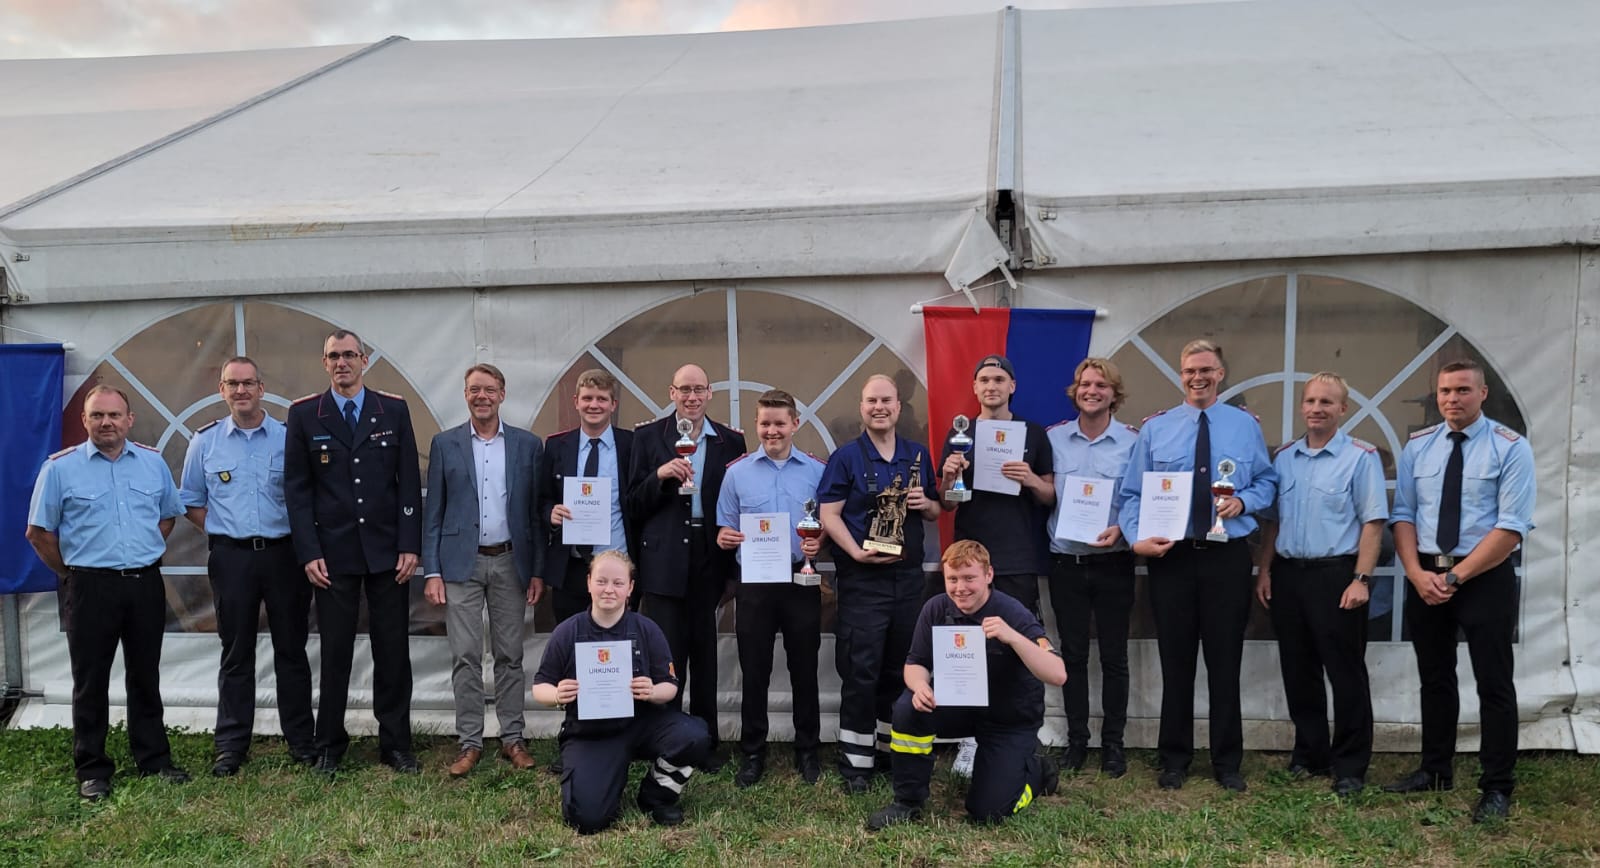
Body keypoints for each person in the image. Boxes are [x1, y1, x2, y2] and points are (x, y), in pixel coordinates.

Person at [1119, 339, 1275, 792]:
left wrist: (1243, 501)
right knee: (1177, 660)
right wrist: (1136, 539)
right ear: (1181, 375)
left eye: (1206, 370)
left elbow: (1267, 481)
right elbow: (1131, 495)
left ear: (1220, 374)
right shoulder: (1156, 429)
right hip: (1173, 557)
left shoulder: (1244, 426)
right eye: (1190, 370)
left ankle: (1227, 762)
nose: (1197, 377)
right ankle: (1175, 758)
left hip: (1227, 557)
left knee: (1225, 661)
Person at [1384, 360, 1534, 823]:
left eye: (1463, 390)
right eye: (1446, 391)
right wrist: (1416, 573)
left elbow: (1511, 527)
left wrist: (1455, 578)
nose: (1453, 398)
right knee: (1435, 678)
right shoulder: (1419, 447)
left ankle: (1497, 786)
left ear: (1483, 393)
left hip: (1483, 577)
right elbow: (1403, 514)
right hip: (1426, 575)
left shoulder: (1511, 448)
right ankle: (1435, 770)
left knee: (1494, 682)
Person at [26, 385, 190, 800]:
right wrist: (70, 572)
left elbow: (167, 517)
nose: (106, 423)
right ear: (84, 421)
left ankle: (154, 760)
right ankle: (93, 769)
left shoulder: (152, 464)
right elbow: (38, 532)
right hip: (89, 586)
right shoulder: (59, 469)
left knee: (145, 675)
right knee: (90, 681)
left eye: (114, 415)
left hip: (143, 583)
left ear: (129, 420)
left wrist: (140, 551)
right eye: (97, 415)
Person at [284, 329, 423, 776]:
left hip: (387, 553)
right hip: (333, 555)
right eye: (334, 356)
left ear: (364, 360)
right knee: (335, 652)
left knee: (393, 651)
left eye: (349, 355)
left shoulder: (393, 410)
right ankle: (329, 743)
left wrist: (409, 544)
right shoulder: (305, 414)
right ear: (324, 363)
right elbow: (297, 491)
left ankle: (396, 743)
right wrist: (308, 552)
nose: (342, 362)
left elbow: (408, 483)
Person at [867, 541, 1063, 831]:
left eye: (969, 578)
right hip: (959, 707)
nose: (960, 588)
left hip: (1008, 718)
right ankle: (907, 801)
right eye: (953, 579)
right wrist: (920, 686)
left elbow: (1058, 674)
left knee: (988, 813)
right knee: (908, 707)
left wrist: (1012, 637)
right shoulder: (936, 608)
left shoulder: (1012, 611)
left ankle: (1037, 769)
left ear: (989, 575)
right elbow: (915, 663)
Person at [179, 357, 314, 777]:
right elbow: (191, 501)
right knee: (236, 652)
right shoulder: (205, 442)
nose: (241, 391)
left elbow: (307, 495)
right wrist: (225, 531)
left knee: (291, 649)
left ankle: (301, 741)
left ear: (261, 388)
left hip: (284, 555)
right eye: (232, 384)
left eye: (248, 383)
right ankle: (231, 746)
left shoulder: (289, 438)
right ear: (222, 390)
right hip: (232, 558)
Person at [1254, 372, 1386, 797]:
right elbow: (1273, 522)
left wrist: (1361, 579)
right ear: (1302, 406)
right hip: (1290, 575)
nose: (1316, 409)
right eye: (1310, 401)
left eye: (1326, 402)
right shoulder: (1284, 458)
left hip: (1337, 575)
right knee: (1299, 669)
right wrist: (1265, 570)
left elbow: (1373, 523)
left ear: (1342, 409)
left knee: (1345, 673)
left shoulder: (1360, 457)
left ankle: (1350, 765)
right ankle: (1310, 753)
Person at [422, 363, 547, 777]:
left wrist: (537, 571)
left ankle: (513, 737)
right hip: (461, 564)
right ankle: (470, 742)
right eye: (475, 389)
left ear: (502, 394)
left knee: (510, 654)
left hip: (512, 561)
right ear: (465, 395)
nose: (482, 396)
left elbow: (535, 515)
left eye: (489, 390)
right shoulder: (445, 444)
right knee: (465, 655)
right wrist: (432, 571)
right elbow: (433, 513)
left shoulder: (528, 445)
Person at [531, 551, 713, 834]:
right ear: (588, 583)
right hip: (591, 732)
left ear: (630, 588)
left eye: (618, 583)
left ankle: (656, 795)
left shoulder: (647, 629)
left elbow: (670, 686)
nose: (609, 589)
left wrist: (652, 690)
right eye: (601, 581)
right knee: (586, 819)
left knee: (694, 735)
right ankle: (603, 777)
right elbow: (539, 686)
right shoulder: (568, 631)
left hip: (641, 723)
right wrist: (556, 694)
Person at [818, 373, 941, 791]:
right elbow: (829, 515)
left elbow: (936, 510)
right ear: (862, 407)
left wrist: (927, 503)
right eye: (872, 400)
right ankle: (856, 764)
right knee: (861, 671)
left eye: (886, 400)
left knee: (900, 669)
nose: (879, 407)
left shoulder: (917, 454)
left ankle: (892, 752)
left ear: (898, 406)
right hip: (863, 581)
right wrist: (854, 552)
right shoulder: (846, 458)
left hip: (907, 580)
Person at [626, 363, 747, 767]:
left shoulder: (731, 441)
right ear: (672, 393)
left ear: (710, 393)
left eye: (698, 390)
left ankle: (706, 743)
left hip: (709, 556)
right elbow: (632, 504)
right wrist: (661, 475)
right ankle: (668, 742)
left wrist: (732, 571)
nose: (691, 397)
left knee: (705, 655)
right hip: (662, 560)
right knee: (667, 656)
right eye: (684, 390)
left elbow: (738, 504)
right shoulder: (648, 437)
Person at [714, 389, 826, 787]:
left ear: (795, 423)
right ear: (756, 425)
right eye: (765, 424)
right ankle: (752, 752)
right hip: (755, 583)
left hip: (800, 578)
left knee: (804, 668)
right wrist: (724, 537)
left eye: (780, 423)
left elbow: (826, 524)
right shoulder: (736, 473)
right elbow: (725, 527)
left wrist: (818, 541)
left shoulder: (816, 471)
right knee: (754, 669)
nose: (772, 431)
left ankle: (807, 750)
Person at [1045, 357, 1139, 777]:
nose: (1092, 391)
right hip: (1066, 562)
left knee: (1115, 657)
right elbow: (1045, 492)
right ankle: (1078, 741)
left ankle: (1114, 744)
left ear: (1114, 394)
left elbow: (1140, 499)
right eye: (1085, 384)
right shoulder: (1054, 439)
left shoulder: (1132, 442)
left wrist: (1124, 528)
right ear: (1075, 390)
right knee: (1073, 656)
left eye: (1101, 385)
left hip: (1113, 562)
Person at [937, 354, 1054, 613]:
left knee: (1017, 630)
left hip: (1017, 558)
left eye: (999, 380)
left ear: (1012, 386)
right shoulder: (960, 434)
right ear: (975, 387)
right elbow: (948, 503)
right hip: (969, 556)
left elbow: (1050, 496)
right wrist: (949, 478)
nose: (991, 386)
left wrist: (1031, 479)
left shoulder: (1033, 433)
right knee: (971, 632)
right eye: (984, 380)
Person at [539, 368, 638, 623]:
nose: (594, 405)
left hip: (617, 566)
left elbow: (641, 498)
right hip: (570, 567)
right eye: (587, 398)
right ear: (576, 402)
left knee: (618, 641)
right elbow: (542, 498)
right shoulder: (556, 446)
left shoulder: (632, 445)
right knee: (571, 638)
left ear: (613, 404)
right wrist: (551, 514)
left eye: (602, 399)